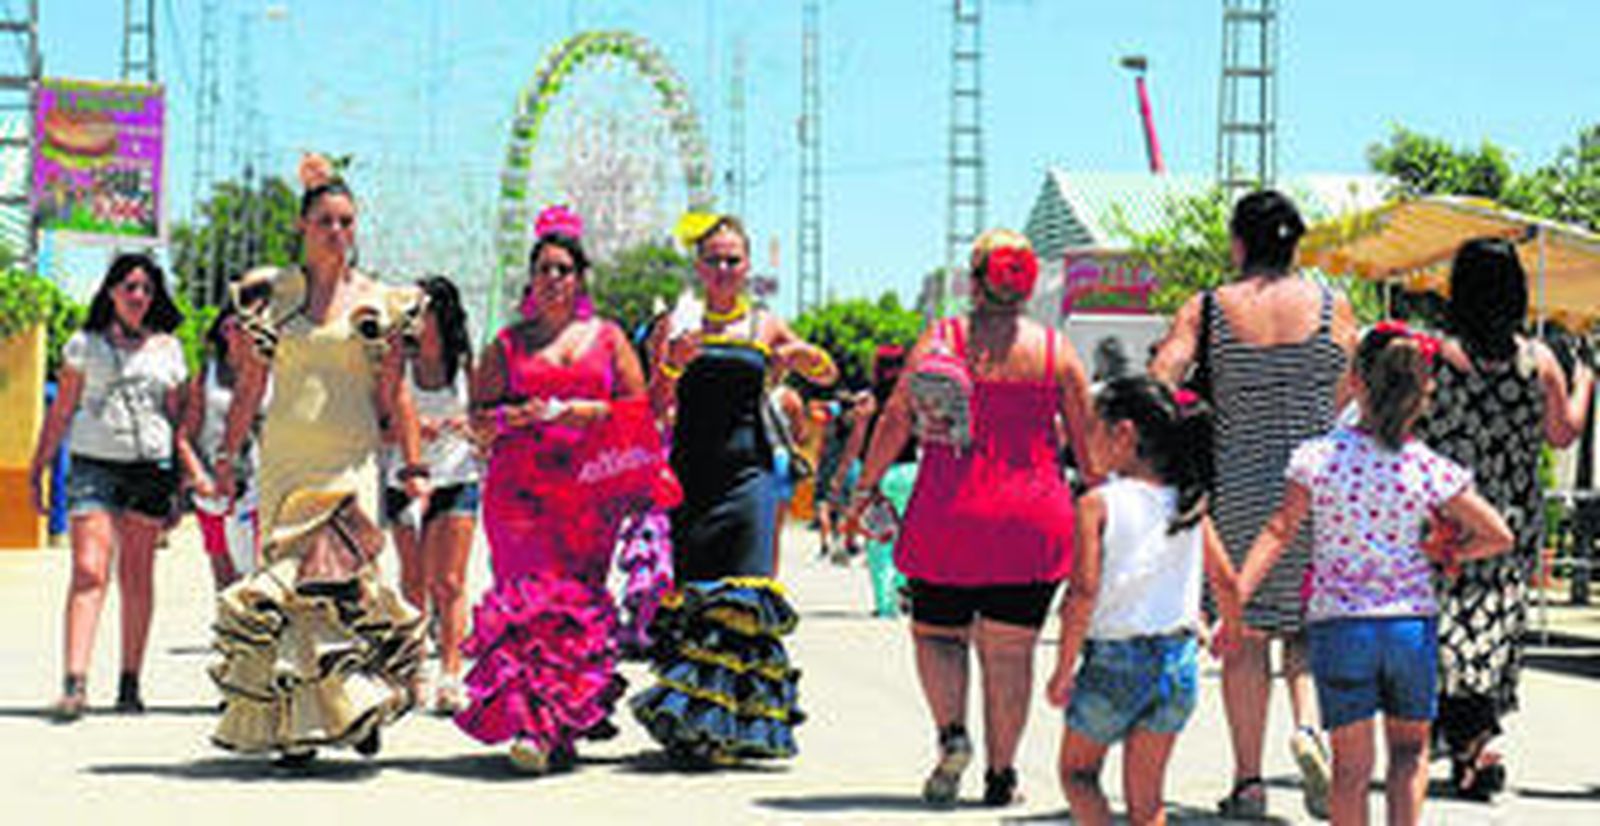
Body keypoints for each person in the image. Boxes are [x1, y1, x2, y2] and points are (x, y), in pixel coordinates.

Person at [847, 228, 1097, 807]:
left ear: (975, 280)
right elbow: (1090, 454)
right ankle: (1002, 773)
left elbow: (895, 418)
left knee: (938, 633)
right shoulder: (1058, 353)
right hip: (1033, 520)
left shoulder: (944, 341)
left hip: (948, 514)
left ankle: (952, 736)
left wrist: (863, 487)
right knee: (1009, 652)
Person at [1234, 323, 1513, 825]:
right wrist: (1442, 552)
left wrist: (1233, 602)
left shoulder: (1316, 459)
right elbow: (1499, 535)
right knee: (1409, 754)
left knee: (1349, 768)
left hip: (1339, 626)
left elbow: (1278, 531)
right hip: (1409, 626)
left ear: (1356, 381)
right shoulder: (1428, 467)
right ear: (1420, 397)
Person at [208, 153, 429, 763]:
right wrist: (227, 455)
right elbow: (250, 384)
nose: (338, 232)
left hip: (351, 462)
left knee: (350, 584)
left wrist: (413, 466)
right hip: (285, 460)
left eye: (347, 221)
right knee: (292, 591)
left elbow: (396, 393)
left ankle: (360, 703)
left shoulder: (380, 303)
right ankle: (299, 724)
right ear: (304, 227)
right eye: (327, 221)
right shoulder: (270, 295)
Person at [1149, 189, 1357, 819]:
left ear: (1239, 244)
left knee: (1244, 635)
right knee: (1306, 629)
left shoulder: (1209, 308)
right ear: (1295, 244)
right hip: (1319, 487)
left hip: (1240, 492)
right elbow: (1351, 388)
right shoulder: (1332, 306)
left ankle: (1248, 782)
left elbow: (1165, 375)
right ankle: (1309, 729)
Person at [631, 213, 837, 765]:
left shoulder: (766, 325)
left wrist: (801, 357)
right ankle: (698, 724)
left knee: (742, 595)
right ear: (698, 267)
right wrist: (672, 367)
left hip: (748, 479)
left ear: (747, 267)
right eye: (714, 259)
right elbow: (651, 405)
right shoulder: (675, 323)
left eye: (733, 260)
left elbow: (827, 374)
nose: (723, 269)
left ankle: (734, 725)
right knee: (699, 600)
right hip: (691, 478)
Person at [455, 205, 651, 773]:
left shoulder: (609, 338)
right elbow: (479, 415)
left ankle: (560, 724)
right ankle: (531, 727)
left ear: (580, 276)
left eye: (563, 269)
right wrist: (505, 420)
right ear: (530, 278)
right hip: (519, 493)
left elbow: (635, 411)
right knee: (526, 602)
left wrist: (575, 409)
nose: (553, 279)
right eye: (544, 269)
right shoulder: (508, 343)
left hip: (588, 492)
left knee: (574, 605)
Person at [1413, 238, 1594, 800]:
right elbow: (1562, 432)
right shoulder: (1537, 360)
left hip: (1448, 509)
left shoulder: (1437, 356)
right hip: (1511, 513)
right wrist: (1585, 379)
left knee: (1446, 627)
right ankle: (1476, 742)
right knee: (1492, 626)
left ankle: (1471, 744)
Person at [1046, 377, 1242, 826]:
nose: (1085, 439)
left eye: (1094, 427)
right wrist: (1229, 630)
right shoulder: (1189, 504)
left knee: (1078, 774)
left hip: (1114, 660)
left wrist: (1063, 668)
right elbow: (1227, 582)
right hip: (1177, 663)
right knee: (1148, 800)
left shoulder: (1098, 504)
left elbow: (1081, 594)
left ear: (1124, 435)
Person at [29, 252, 187, 720]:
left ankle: (130, 681)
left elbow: (177, 418)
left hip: (149, 469)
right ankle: (74, 682)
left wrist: (181, 482)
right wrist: (38, 466)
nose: (137, 296)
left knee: (136, 576)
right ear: (111, 292)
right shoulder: (83, 345)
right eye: (129, 287)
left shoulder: (169, 349)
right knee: (89, 570)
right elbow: (61, 411)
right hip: (93, 464)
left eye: (145, 289)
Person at [381, 275, 479, 714]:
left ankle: (452, 673)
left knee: (451, 581)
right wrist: (411, 431)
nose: (415, 319)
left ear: (442, 312)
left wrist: (472, 430)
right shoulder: (394, 361)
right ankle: (416, 667)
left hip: (457, 475)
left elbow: (483, 420)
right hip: (403, 479)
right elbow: (377, 425)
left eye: (421, 309)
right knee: (414, 580)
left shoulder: (465, 364)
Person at [177, 278, 272, 593]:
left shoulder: (274, 373)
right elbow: (184, 437)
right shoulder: (207, 376)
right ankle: (231, 634)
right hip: (214, 488)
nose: (238, 333)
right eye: (231, 325)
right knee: (223, 572)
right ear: (221, 330)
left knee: (261, 569)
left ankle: (260, 635)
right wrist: (198, 478)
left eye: (245, 325)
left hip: (264, 482)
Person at [834, 347, 915, 616]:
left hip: (881, 474)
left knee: (880, 540)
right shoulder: (912, 396)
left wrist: (842, 474)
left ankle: (885, 603)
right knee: (908, 537)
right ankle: (904, 587)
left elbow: (857, 442)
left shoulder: (868, 401)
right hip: (914, 472)